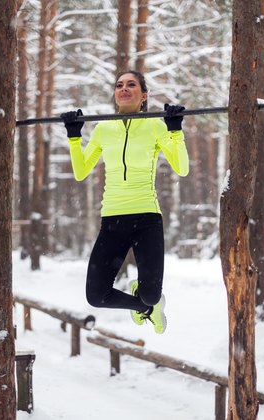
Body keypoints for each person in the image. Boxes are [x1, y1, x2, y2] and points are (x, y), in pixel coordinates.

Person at [61, 70, 189, 334]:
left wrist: (175, 130)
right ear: (115, 94)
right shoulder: (104, 128)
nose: (124, 88)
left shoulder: (155, 125)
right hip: (113, 220)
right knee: (96, 296)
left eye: (131, 84)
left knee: (151, 295)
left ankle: (149, 302)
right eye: (119, 85)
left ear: (144, 96)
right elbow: (81, 171)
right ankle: (143, 308)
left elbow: (182, 168)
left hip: (146, 219)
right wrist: (74, 136)